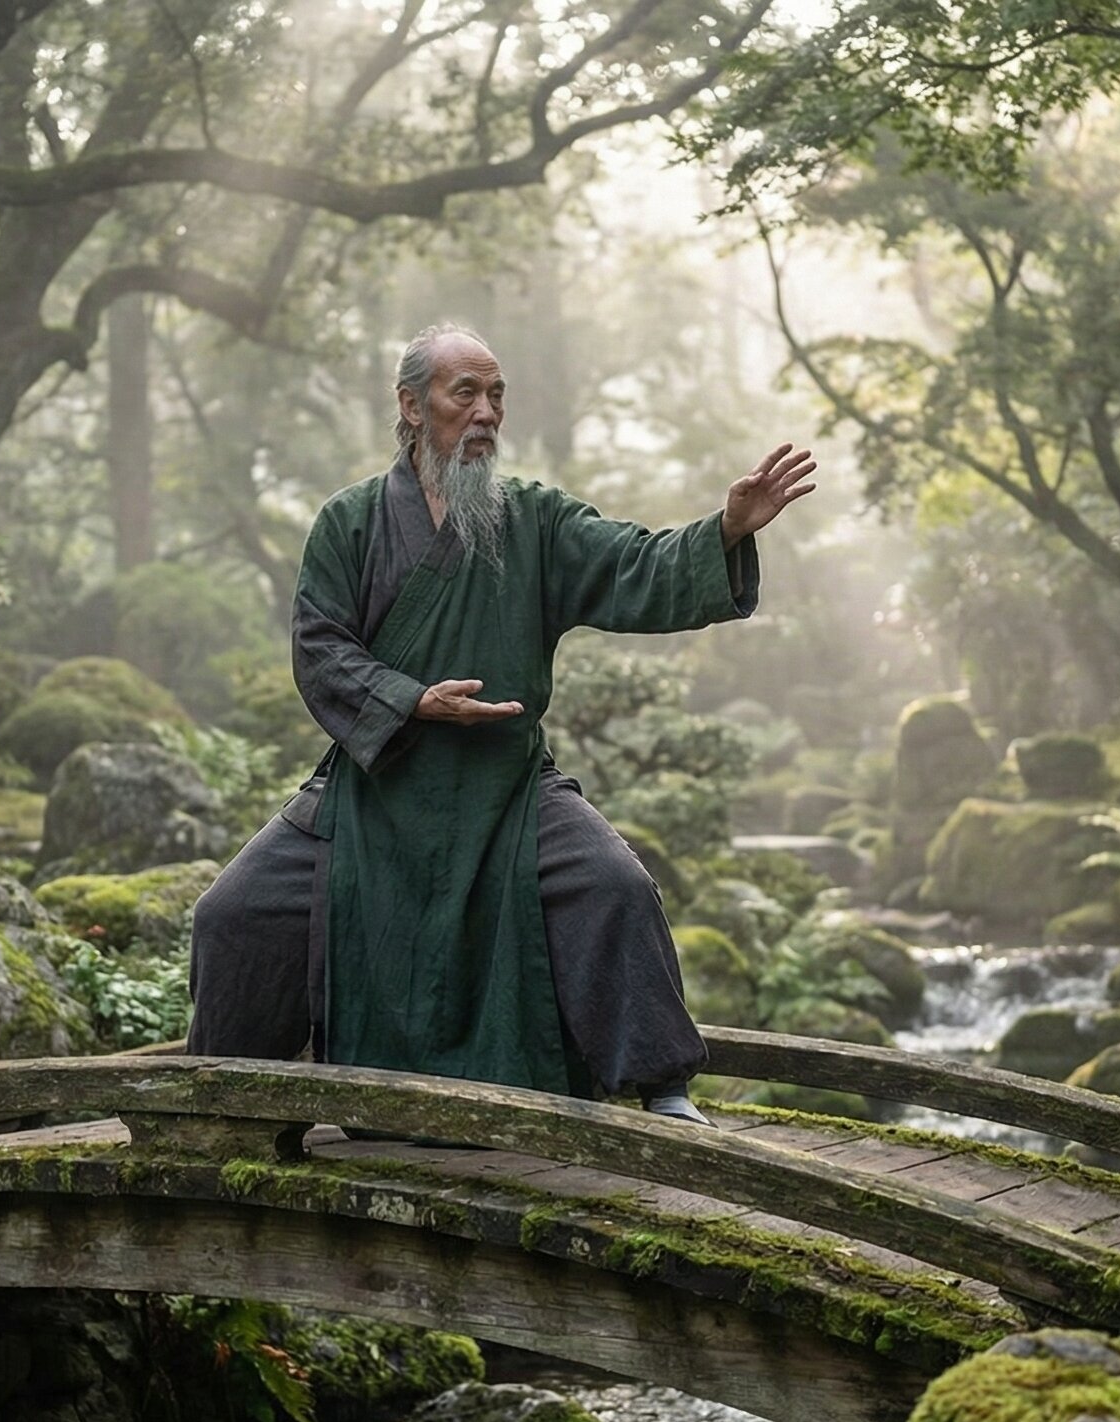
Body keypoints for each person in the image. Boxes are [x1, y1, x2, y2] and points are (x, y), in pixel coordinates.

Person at [185, 322, 817, 1124]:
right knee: (233, 914)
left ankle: (662, 1089)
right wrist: (414, 700)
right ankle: (223, 1097)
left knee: (615, 886)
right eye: (466, 393)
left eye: (496, 395)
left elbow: (631, 561)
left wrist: (724, 531)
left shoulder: (536, 521)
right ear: (412, 406)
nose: (486, 412)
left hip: (508, 786)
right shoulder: (350, 523)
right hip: (377, 784)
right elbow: (319, 649)